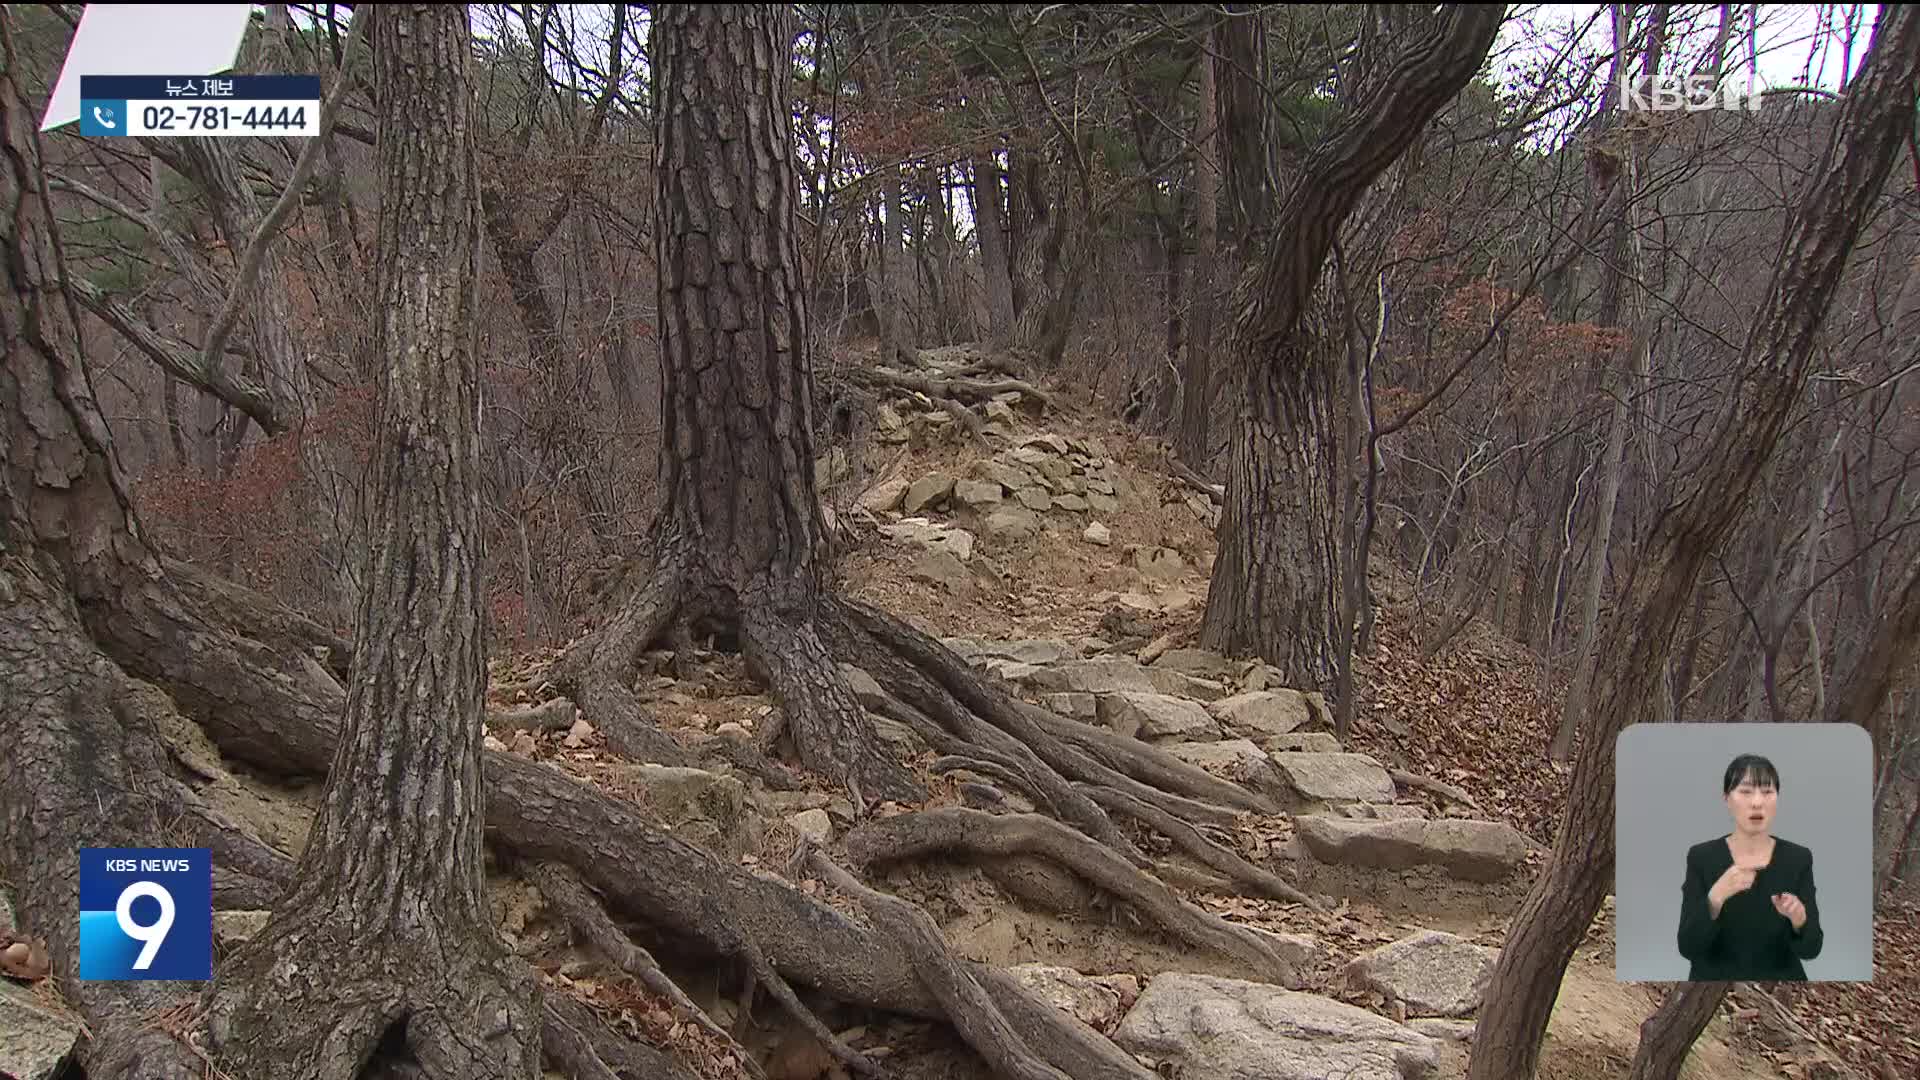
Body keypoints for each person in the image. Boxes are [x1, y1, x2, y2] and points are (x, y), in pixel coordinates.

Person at [1676, 753, 1823, 981]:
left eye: (1767, 792)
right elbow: (1687, 947)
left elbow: (1811, 950)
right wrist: (1715, 897)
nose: (1757, 802)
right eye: (1745, 792)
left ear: (1777, 798)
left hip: (1779, 983)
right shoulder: (1702, 857)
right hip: (1715, 980)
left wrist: (1799, 920)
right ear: (1726, 798)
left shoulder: (1798, 858)